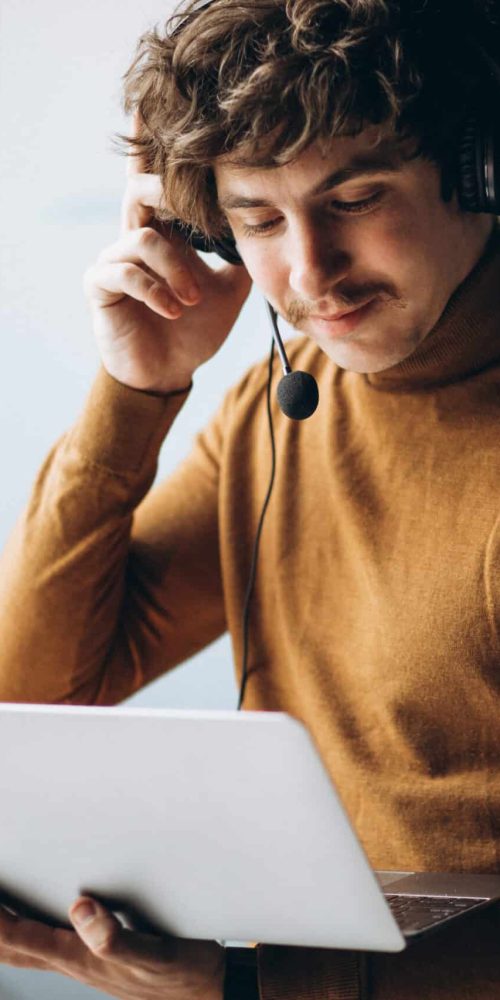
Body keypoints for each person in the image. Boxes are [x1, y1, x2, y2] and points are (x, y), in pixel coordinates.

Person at [1, 0, 500, 996]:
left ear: (477, 170)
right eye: (258, 219)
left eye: (354, 197)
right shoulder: (283, 405)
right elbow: (36, 694)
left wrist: (252, 988)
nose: (308, 274)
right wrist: (135, 392)